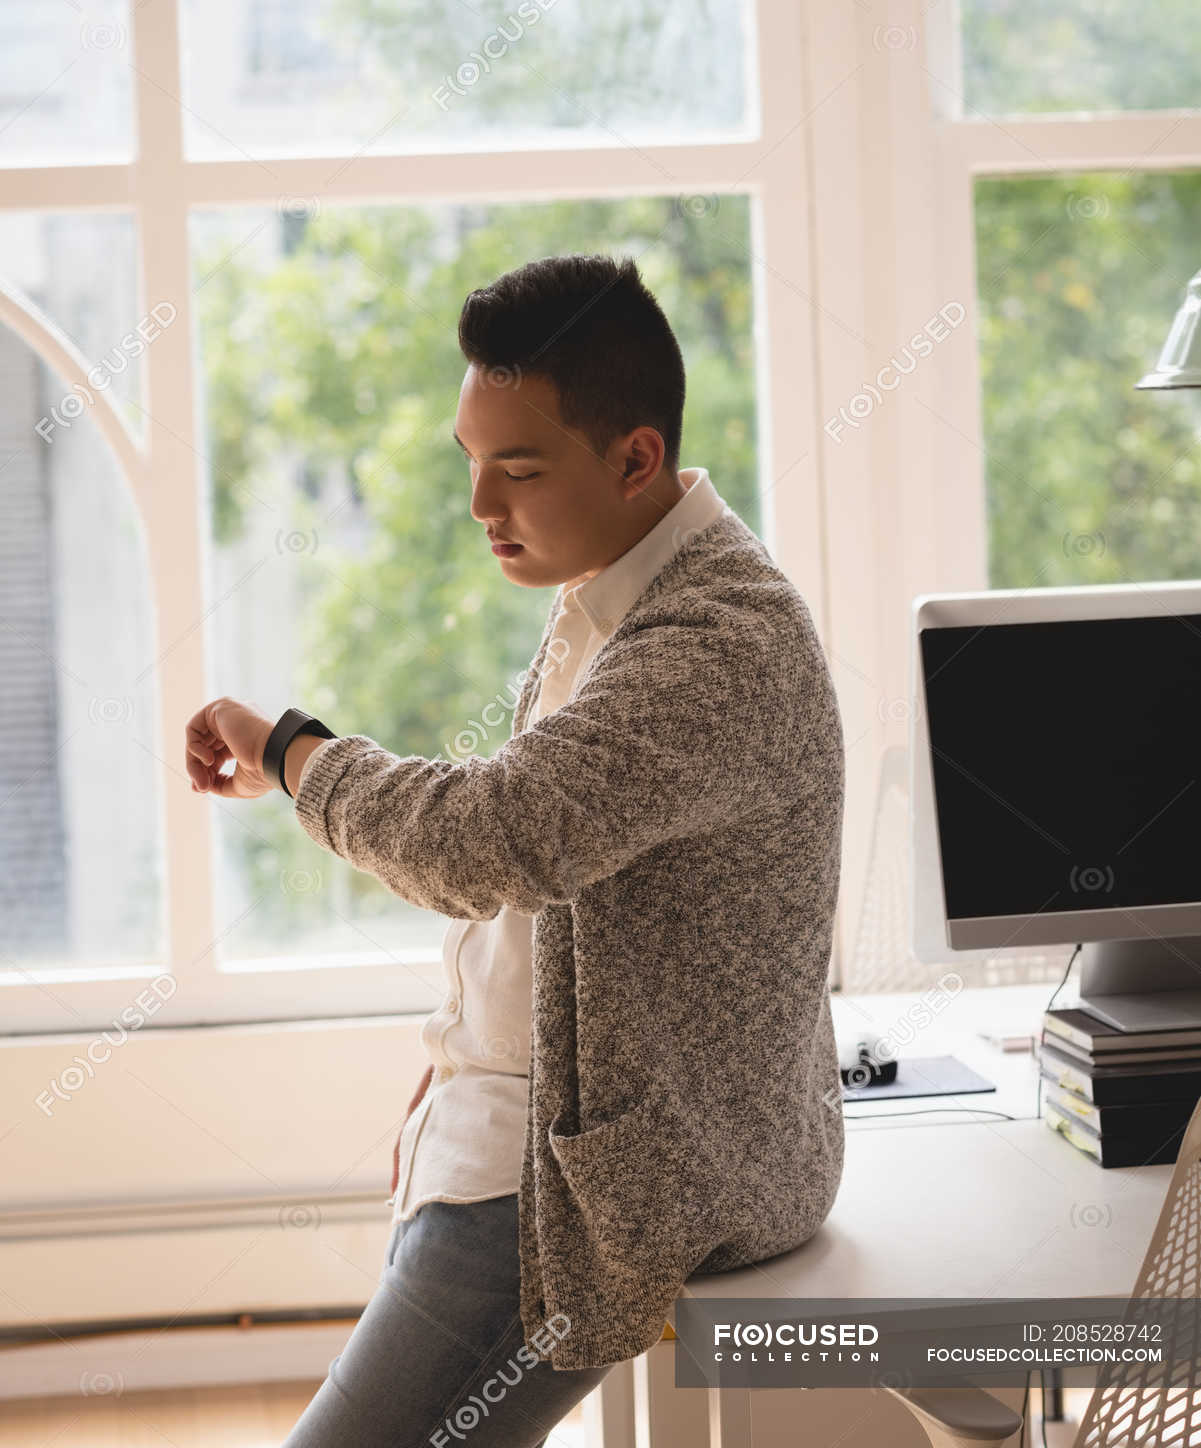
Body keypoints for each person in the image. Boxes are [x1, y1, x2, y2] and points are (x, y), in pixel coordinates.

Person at [185, 252, 846, 1447]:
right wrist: (469, 1054)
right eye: (470, 463)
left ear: (635, 458)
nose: (481, 508)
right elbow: (543, 883)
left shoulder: (711, 641)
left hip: (599, 1182)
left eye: (518, 471)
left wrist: (294, 754)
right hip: (532, 1138)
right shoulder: (616, 582)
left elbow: (493, 839)